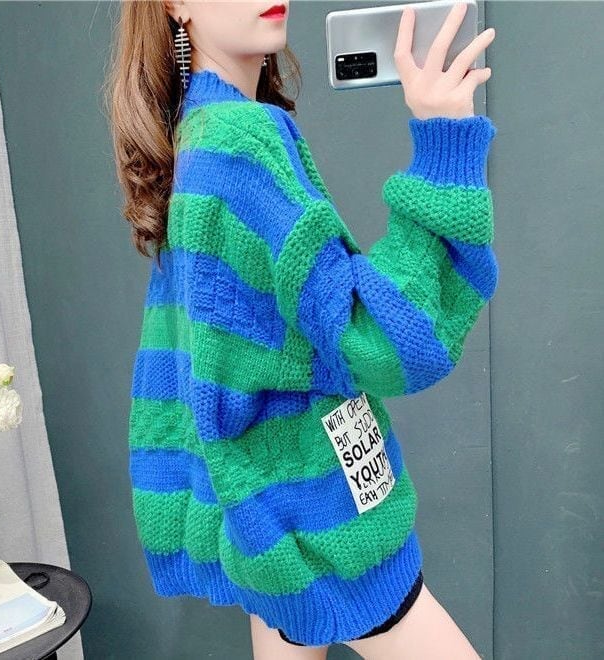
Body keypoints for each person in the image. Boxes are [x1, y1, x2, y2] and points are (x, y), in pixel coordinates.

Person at [105, 1, 497, 658]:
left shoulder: (198, 132)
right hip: (319, 516)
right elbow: (384, 340)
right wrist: (444, 141)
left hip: (266, 511)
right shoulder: (241, 141)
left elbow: (198, 363)